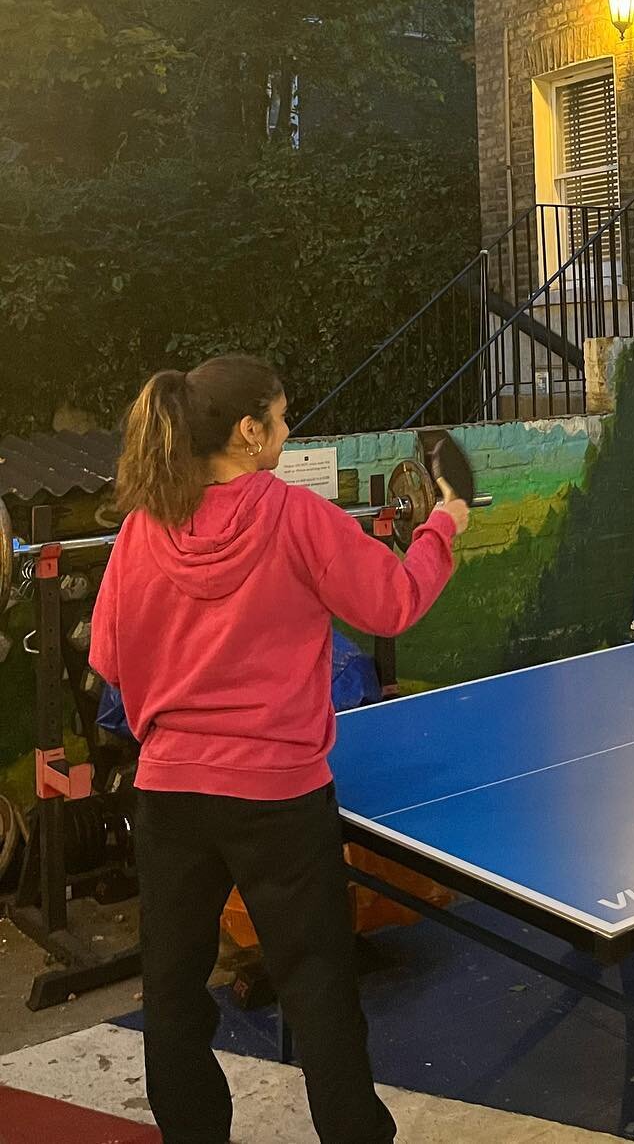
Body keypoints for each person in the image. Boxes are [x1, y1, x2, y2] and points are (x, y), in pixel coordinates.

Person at [90, 355, 468, 1144]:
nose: (289, 433)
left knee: (172, 993)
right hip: (278, 799)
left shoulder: (139, 530)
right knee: (319, 989)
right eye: (283, 416)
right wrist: (443, 528)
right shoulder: (297, 516)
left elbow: (111, 664)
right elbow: (393, 603)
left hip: (170, 800)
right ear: (249, 430)